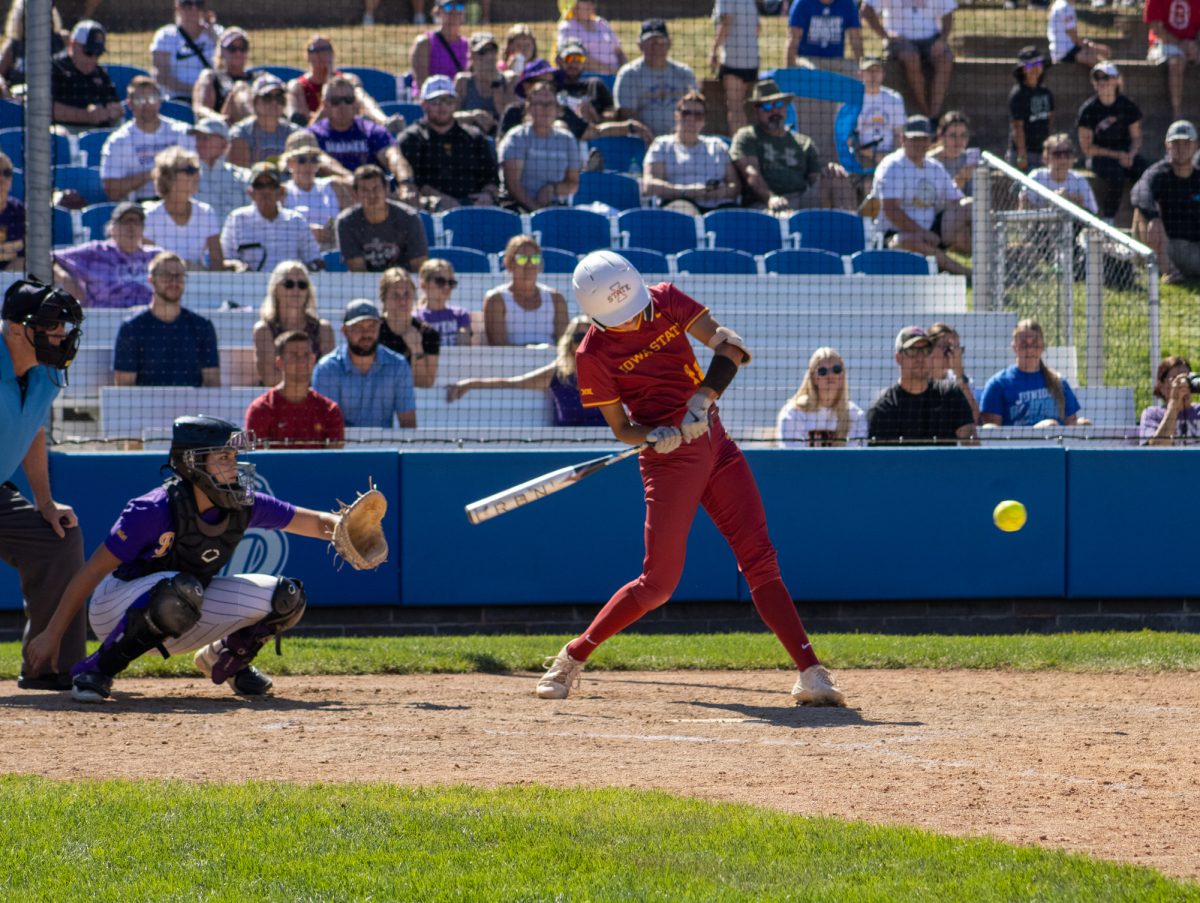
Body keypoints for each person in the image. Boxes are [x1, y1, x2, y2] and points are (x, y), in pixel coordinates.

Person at [535, 250, 845, 707]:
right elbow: (622, 429)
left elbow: (730, 345)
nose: (636, 317)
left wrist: (701, 401)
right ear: (596, 315)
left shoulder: (663, 299)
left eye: (636, 306)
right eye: (622, 316)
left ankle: (810, 672)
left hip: (713, 440)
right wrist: (654, 434)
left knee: (760, 559)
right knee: (658, 584)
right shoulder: (593, 354)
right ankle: (572, 657)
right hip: (668, 460)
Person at [26, 414, 342, 702]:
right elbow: (92, 570)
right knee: (180, 589)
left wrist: (345, 528)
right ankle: (96, 669)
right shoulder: (153, 509)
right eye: (223, 457)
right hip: (115, 609)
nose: (233, 465)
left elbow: (312, 521)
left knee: (288, 597)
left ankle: (225, 658)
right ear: (192, 463)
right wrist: (52, 634)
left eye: (233, 457)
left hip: (185, 604)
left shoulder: (243, 502)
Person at [0, 278, 86, 691]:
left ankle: (49, 664)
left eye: (62, 328)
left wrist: (46, 503)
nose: (60, 337)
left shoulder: (45, 373)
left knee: (58, 539)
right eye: (50, 328)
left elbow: (33, 431)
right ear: (16, 330)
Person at [449, 315, 608, 427]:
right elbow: (511, 383)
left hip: (605, 443)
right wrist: (472, 384)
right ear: (569, 342)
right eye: (579, 337)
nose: (584, 343)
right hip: (567, 444)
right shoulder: (557, 374)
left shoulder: (608, 373)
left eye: (590, 337)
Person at [732, 78, 855, 213]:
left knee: (837, 177)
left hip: (801, 200)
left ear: (785, 107)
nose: (774, 111)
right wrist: (771, 198)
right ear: (756, 111)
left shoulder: (803, 142)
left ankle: (850, 226)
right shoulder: (747, 136)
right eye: (767, 106)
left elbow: (815, 179)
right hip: (763, 204)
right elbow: (750, 172)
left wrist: (830, 171)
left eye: (778, 104)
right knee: (779, 214)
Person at [872, 115, 971, 276]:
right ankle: (967, 273)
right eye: (914, 139)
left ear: (930, 141)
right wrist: (921, 233)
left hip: (933, 232)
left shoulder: (934, 167)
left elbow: (957, 200)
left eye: (923, 139)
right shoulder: (892, 166)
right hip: (894, 235)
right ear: (903, 139)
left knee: (970, 206)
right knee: (903, 242)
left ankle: (994, 258)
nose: (919, 144)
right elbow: (891, 210)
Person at [112, 251, 220, 387]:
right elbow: (124, 389)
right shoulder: (131, 329)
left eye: (179, 276)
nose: (174, 281)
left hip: (192, 407)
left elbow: (213, 384)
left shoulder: (202, 327)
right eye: (166, 275)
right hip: (146, 407)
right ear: (151, 280)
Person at [398, 75, 500, 212]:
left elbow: (491, 176)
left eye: (448, 100)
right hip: (431, 210)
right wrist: (438, 198)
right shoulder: (411, 139)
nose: (443, 106)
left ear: (456, 103)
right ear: (423, 104)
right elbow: (412, 182)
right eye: (435, 101)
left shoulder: (474, 137)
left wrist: (488, 195)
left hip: (476, 209)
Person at [312, 299, 417, 429]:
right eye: (358, 327)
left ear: (379, 329)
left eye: (372, 327)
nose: (366, 333)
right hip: (340, 447)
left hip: (384, 446)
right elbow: (324, 424)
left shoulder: (398, 366)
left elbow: (408, 424)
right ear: (345, 331)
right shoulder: (327, 369)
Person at [867, 326, 976, 445]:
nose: (920, 358)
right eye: (912, 351)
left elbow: (972, 448)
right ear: (898, 358)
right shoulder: (884, 407)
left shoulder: (950, 394)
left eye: (926, 350)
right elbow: (880, 461)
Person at [642, 91, 741, 215]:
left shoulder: (718, 145)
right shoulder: (662, 144)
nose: (691, 119)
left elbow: (735, 186)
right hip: (680, 206)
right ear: (676, 115)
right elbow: (649, 185)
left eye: (698, 115)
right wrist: (686, 192)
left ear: (704, 120)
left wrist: (716, 193)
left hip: (718, 207)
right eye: (686, 113)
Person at [980, 318, 1091, 428]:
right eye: (1024, 344)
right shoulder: (998, 384)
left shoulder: (1059, 382)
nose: (1030, 349)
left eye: (1035, 343)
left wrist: (1079, 425)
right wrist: (1037, 431)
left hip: (1056, 443)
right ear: (1014, 347)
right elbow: (993, 433)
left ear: (1042, 346)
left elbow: (1070, 424)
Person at [100, 76, 195, 203]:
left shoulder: (182, 133)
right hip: (139, 206)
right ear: (129, 103)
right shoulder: (119, 141)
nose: (146, 104)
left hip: (179, 202)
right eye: (139, 100)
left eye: (152, 98)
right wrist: (154, 172)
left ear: (160, 101)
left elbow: (197, 175)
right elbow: (112, 191)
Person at [245, 331, 345, 449]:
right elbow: (256, 460)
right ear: (279, 362)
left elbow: (334, 461)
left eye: (306, 355)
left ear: (313, 359)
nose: (302, 361)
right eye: (293, 355)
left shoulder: (330, 411)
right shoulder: (261, 410)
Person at [53, 202, 164, 308]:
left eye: (137, 222)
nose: (132, 227)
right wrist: (64, 278)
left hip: (148, 321)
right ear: (112, 228)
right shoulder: (94, 251)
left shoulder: (156, 256)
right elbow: (47, 258)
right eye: (126, 221)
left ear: (143, 229)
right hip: (103, 320)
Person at [307, 75, 412, 186]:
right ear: (325, 105)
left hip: (372, 193)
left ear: (356, 103)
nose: (343, 106)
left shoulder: (372, 131)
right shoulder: (314, 134)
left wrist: (406, 182)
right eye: (335, 101)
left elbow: (393, 156)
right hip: (332, 196)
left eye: (348, 100)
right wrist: (351, 179)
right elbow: (319, 160)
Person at [859, 0, 955, 120]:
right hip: (900, 40)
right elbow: (866, 11)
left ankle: (934, 115)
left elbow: (948, 14)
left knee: (946, 58)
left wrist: (942, 39)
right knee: (911, 58)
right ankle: (925, 112)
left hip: (931, 39)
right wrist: (886, 35)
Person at [1131, 120, 1200, 284]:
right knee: (1141, 212)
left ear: (1196, 146)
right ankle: (1168, 272)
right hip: (1164, 249)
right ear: (1167, 146)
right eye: (1176, 144)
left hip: (1194, 251)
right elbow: (1138, 192)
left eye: (1187, 143)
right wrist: (1153, 217)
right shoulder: (1158, 173)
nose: (1181, 149)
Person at [1076, 62, 1148, 222]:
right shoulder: (1088, 110)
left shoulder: (1128, 106)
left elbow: (1137, 138)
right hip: (1100, 157)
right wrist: (1117, 155)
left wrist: (1131, 154)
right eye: (1097, 78)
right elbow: (1087, 148)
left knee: (1145, 171)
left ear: (1116, 80)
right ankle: (1109, 219)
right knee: (1116, 174)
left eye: (1106, 77)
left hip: (1126, 154)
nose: (1101, 82)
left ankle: (1146, 214)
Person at [220, 161, 321, 273]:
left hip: (289, 287)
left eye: (271, 185)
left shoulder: (296, 220)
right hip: (249, 286)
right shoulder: (236, 219)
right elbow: (225, 259)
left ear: (281, 191)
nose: (266, 191)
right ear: (250, 192)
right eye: (259, 186)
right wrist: (237, 266)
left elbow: (314, 258)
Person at [497, 80, 581, 212]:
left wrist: (553, 189)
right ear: (529, 108)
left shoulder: (568, 140)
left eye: (550, 104)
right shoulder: (516, 138)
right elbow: (513, 185)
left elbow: (573, 184)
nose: (545, 109)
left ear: (558, 109)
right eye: (539, 104)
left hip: (556, 209)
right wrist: (537, 210)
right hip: (519, 209)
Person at [253, 259, 336, 387]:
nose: (296, 290)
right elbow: (270, 379)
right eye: (289, 284)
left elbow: (327, 377)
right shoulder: (263, 330)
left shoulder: (324, 329)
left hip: (314, 400)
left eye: (302, 285)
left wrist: (291, 377)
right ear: (275, 289)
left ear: (308, 291)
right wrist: (306, 377)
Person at [144, 146, 229, 270]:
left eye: (196, 169)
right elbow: (148, 263)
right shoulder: (150, 216)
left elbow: (217, 261)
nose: (196, 174)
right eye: (189, 170)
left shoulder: (206, 212)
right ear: (169, 177)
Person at [336, 164, 429, 272]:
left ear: (386, 189)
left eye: (376, 189)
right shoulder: (346, 222)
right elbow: (358, 271)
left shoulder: (409, 218)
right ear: (355, 194)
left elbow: (419, 267)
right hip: (366, 285)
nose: (371, 195)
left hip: (404, 284)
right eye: (365, 190)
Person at [613, 19, 698, 138]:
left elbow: (696, 110)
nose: (655, 47)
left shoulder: (684, 73)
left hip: (681, 140)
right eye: (650, 42)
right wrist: (649, 137)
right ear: (640, 45)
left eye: (660, 42)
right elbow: (627, 115)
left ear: (669, 43)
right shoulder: (629, 74)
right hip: (641, 141)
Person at [483, 235, 570, 346]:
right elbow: (498, 345)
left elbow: (564, 346)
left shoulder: (556, 299)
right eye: (522, 258)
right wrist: (531, 349)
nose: (529, 264)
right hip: (511, 363)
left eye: (535, 258)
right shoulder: (496, 299)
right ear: (509, 263)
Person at [776, 346, 867, 447]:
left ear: (843, 375)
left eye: (836, 369)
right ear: (813, 378)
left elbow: (856, 457)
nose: (830, 375)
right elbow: (792, 456)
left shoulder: (855, 415)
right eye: (822, 371)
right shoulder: (794, 413)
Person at [282, 131, 350, 251]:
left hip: (333, 257)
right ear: (289, 163)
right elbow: (274, 230)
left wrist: (335, 232)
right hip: (297, 258)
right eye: (302, 160)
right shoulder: (281, 192)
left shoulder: (335, 186)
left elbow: (354, 223)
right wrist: (306, 231)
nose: (308, 165)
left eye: (314, 159)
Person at [51, 20, 123, 129]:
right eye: (89, 52)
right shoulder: (55, 68)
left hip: (97, 134)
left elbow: (117, 107)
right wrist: (86, 116)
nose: (93, 59)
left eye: (98, 53)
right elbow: (45, 109)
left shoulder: (99, 73)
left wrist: (112, 112)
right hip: (66, 134)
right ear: (73, 46)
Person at [378, 267, 440, 388]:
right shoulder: (373, 330)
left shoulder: (428, 333)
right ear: (384, 298)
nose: (402, 301)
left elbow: (425, 383)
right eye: (396, 295)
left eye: (407, 294)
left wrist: (416, 349)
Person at [150, 0, 220, 103]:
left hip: (213, 100)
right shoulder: (166, 36)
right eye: (187, 4)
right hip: (177, 100)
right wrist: (197, 90)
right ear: (178, 8)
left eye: (199, 4)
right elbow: (161, 77)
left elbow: (229, 63)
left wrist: (212, 31)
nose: (194, 8)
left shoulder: (216, 33)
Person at [710, 0, 760, 135]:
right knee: (739, 106)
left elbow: (726, 22)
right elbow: (758, 28)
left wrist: (714, 50)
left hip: (734, 60)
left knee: (735, 107)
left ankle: (738, 145)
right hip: (752, 60)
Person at [1144, 0, 1200, 121]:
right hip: (1164, 42)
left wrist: (1194, 46)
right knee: (1176, 63)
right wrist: (1181, 45)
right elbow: (1156, 28)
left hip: (1191, 43)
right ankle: (1177, 113)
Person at [228, 74, 298, 168]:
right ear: (255, 102)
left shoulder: (295, 134)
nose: (274, 102)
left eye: (279, 97)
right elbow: (241, 175)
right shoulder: (240, 133)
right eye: (267, 97)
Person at [455, 31, 516, 135]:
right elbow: (450, 116)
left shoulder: (510, 79)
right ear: (472, 56)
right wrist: (473, 116)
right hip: (469, 140)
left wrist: (496, 83)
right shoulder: (463, 81)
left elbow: (507, 117)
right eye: (482, 52)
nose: (489, 56)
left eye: (492, 51)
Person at [191, 116, 251, 222]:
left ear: (224, 144)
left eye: (206, 138)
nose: (200, 142)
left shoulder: (244, 177)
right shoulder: (185, 176)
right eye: (198, 138)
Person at [0, 0, 67, 94]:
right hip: (20, 101)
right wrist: (4, 88)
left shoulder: (63, 40)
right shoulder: (13, 46)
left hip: (57, 98)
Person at [191, 26, 255, 125]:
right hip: (222, 130)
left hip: (258, 128)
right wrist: (220, 119)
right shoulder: (212, 77)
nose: (238, 53)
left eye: (242, 48)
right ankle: (254, 123)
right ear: (221, 52)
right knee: (240, 87)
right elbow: (200, 108)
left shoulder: (257, 77)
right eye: (232, 48)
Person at [1021, 132, 1098, 213]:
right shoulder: (1036, 177)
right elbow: (1023, 211)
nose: (1063, 159)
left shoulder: (1079, 180)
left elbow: (1094, 215)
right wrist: (1054, 201)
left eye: (1067, 153)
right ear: (1046, 157)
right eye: (1057, 154)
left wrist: (1076, 204)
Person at [854, 56, 905, 172]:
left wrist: (892, 157)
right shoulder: (851, 100)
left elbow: (899, 135)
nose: (873, 75)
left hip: (890, 158)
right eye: (869, 71)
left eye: (877, 70)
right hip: (860, 157)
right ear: (860, 74)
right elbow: (848, 138)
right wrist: (872, 155)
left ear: (883, 74)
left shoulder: (894, 99)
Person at [1009, 47, 1054, 172]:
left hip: (1042, 152)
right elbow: (1017, 127)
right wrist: (1022, 155)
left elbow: (1050, 119)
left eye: (1038, 64)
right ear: (1023, 70)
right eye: (1030, 65)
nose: (1035, 68)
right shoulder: (1018, 94)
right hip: (1024, 153)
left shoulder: (1046, 92)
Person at [1139, 355, 1200, 446]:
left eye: (1186, 378)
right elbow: (1154, 452)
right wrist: (1173, 405)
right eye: (1175, 379)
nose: (1183, 384)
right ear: (1161, 386)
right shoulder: (1152, 414)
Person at [926, 321, 979, 425]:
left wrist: (959, 373)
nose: (952, 352)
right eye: (945, 346)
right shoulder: (918, 380)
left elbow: (974, 419)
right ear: (929, 349)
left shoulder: (965, 381)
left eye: (956, 347)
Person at [410, 0, 470, 92]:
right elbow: (421, 82)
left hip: (457, 101)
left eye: (459, 7)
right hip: (430, 100)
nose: (454, 11)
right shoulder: (424, 42)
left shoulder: (468, 45)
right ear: (437, 12)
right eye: (448, 7)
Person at [786, 0, 863, 70]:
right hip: (808, 59)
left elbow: (856, 40)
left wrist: (861, 66)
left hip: (837, 60)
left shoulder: (848, 3)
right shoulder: (802, 3)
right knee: (813, 75)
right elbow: (793, 39)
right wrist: (789, 73)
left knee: (858, 73)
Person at [557, 0, 626, 75]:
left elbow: (619, 52)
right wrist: (612, 70)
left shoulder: (601, 23)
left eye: (592, 1)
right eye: (586, 1)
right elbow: (574, 57)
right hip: (588, 77)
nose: (591, 4)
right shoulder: (568, 27)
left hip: (616, 75)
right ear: (574, 4)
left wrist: (623, 69)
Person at [415, 257, 472, 345]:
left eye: (451, 282)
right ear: (423, 284)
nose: (447, 287)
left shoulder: (461, 314)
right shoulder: (415, 317)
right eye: (440, 281)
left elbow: (463, 348)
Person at [288, 34, 341, 125]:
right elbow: (306, 123)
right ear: (308, 56)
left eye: (325, 49)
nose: (319, 54)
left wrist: (330, 76)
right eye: (314, 50)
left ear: (332, 53)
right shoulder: (298, 86)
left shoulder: (347, 81)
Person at [1047, 0, 1110, 68]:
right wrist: (1087, 44)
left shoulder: (1060, 4)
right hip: (1066, 52)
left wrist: (1088, 44)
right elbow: (1073, 35)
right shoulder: (1065, 7)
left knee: (1105, 51)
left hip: (1063, 50)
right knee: (1104, 59)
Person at [928, 111, 979, 195]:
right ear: (941, 136)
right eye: (953, 136)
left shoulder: (972, 161)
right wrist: (961, 179)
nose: (959, 141)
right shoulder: (929, 162)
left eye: (963, 135)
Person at [0, 151, 25, 272]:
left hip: (12, 271)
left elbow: (32, 248)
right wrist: (15, 247)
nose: (1, 178)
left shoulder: (18, 209)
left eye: (6, 173)